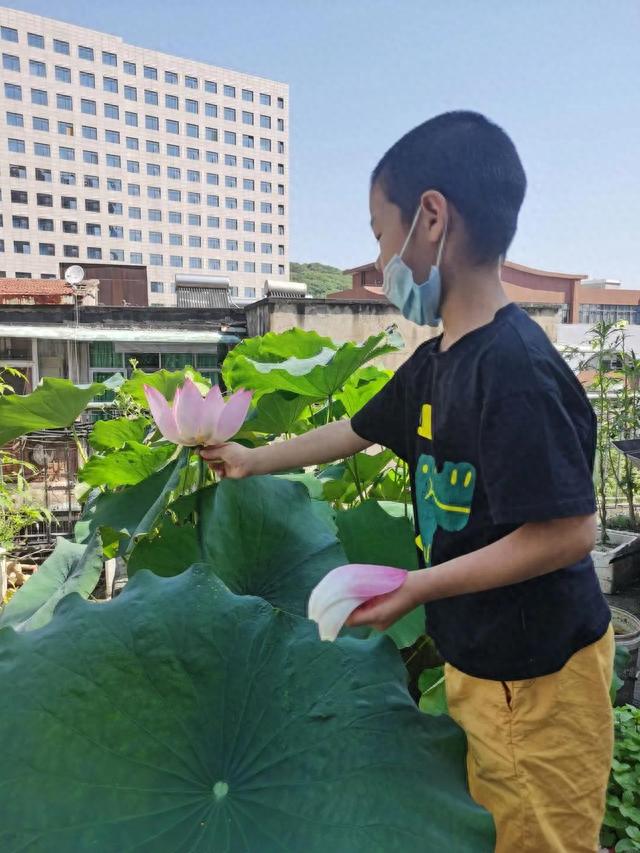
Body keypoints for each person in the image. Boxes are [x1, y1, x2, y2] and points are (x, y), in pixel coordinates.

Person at [200, 111, 613, 853]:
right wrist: (251, 458)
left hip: (536, 676)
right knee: (492, 826)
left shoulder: (513, 369)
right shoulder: (438, 360)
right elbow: (356, 429)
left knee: (536, 839)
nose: (380, 256)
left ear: (430, 218)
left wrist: (420, 586)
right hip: (482, 658)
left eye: (377, 232)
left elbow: (567, 531)